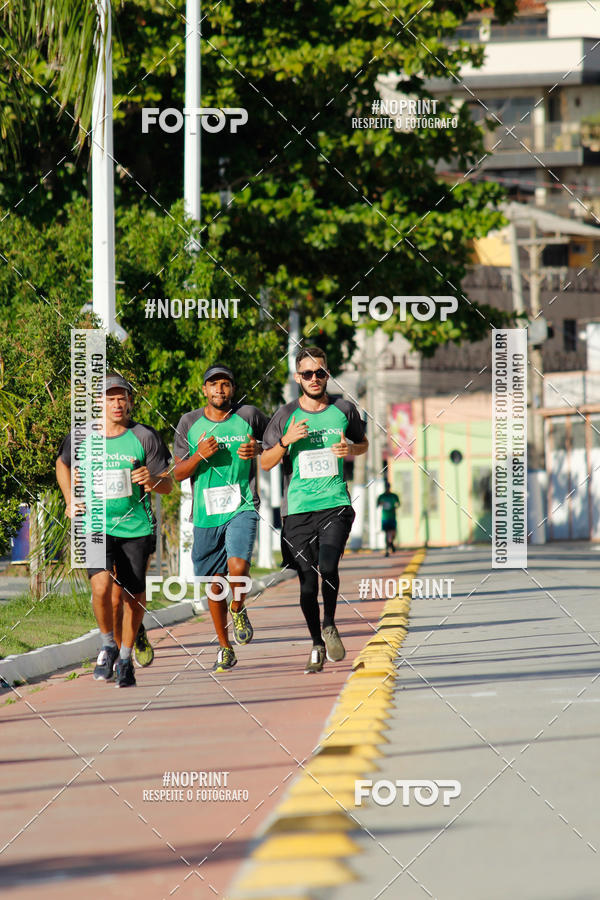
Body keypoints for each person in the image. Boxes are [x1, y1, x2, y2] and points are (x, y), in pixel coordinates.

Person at [56, 374, 172, 687]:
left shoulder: (144, 436)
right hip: (95, 525)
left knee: (134, 596)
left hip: (136, 527)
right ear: (98, 403)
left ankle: (125, 657)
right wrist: (70, 500)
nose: (116, 403)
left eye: (121, 397)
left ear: (130, 402)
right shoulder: (81, 436)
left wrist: (152, 480)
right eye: (109, 398)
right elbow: (62, 464)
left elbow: (168, 484)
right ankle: (107, 643)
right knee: (101, 589)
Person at [261, 347, 368, 674]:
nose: (314, 378)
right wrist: (286, 441)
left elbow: (363, 443)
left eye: (319, 372)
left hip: (335, 504)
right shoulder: (285, 416)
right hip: (298, 511)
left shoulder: (343, 409)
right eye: (307, 374)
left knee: (328, 566)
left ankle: (330, 624)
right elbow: (265, 462)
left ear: (327, 374)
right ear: (297, 378)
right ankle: (316, 643)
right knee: (307, 583)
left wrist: (350, 448)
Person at [173, 364, 267, 672]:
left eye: (225, 384)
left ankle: (238, 606)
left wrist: (258, 448)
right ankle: (225, 647)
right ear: (204, 390)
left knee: (238, 568)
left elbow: (274, 444)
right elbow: (177, 473)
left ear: (232, 388)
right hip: (206, 514)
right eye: (214, 385)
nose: (220, 390)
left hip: (242, 505)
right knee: (215, 585)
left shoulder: (249, 416)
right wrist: (199, 454)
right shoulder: (189, 423)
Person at [377, 481, 400, 556]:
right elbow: (377, 504)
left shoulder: (394, 496)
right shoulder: (382, 496)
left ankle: (391, 543)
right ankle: (387, 549)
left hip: (392, 517)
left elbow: (398, 504)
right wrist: (381, 503)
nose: (387, 488)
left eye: (388, 487)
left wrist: (395, 507)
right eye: (386, 487)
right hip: (385, 518)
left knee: (393, 533)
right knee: (387, 533)